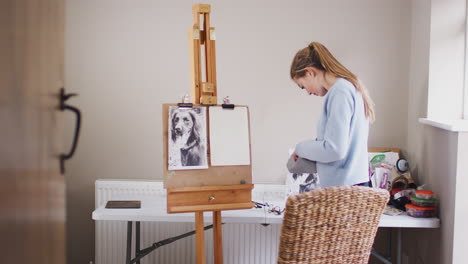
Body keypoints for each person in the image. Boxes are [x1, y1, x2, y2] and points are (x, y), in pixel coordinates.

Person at [290, 42, 375, 188]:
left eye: (303, 86)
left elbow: (334, 150)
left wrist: (300, 148)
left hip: (345, 189)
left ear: (310, 72)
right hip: (352, 184)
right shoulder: (348, 88)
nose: (308, 92)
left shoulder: (340, 91)